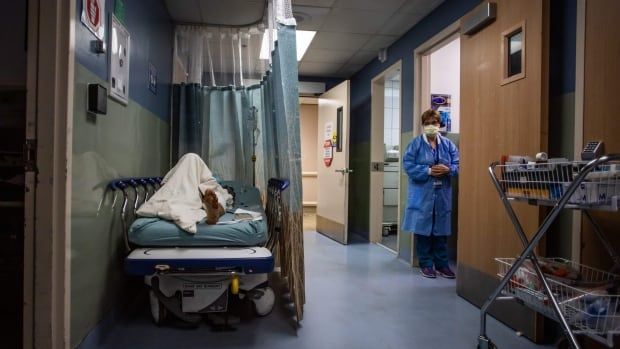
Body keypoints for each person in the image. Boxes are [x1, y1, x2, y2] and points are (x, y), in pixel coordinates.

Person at [402, 109, 459, 279]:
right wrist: (427, 171)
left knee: (440, 231)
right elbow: (408, 165)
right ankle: (426, 264)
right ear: (423, 126)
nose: (431, 127)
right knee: (423, 230)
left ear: (439, 125)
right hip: (422, 195)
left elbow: (459, 164)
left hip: (442, 195)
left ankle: (442, 265)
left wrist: (448, 169)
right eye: (427, 124)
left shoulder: (448, 145)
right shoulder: (415, 144)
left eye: (434, 123)